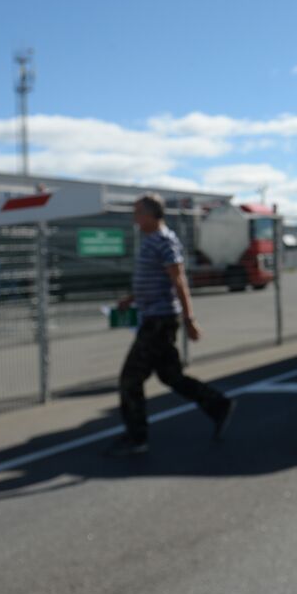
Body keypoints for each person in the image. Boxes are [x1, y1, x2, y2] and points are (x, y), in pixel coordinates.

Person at [107, 193, 234, 456]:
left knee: (130, 379)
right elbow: (155, 280)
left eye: (138, 213)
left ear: (153, 214)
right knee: (170, 376)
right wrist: (131, 299)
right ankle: (217, 404)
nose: (135, 218)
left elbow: (179, 282)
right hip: (153, 316)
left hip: (159, 321)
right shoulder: (151, 240)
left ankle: (137, 438)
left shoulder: (165, 241)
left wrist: (189, 319)